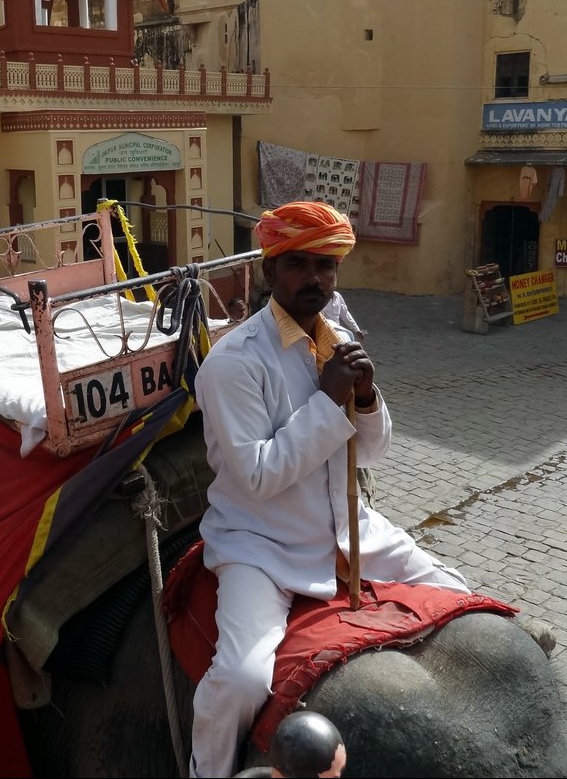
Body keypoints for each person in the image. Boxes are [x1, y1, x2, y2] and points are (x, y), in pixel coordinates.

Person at [189, 201, 470, 778]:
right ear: (270, 271)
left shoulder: (336, 338)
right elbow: (260, 476)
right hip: (260, 544)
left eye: (326, 265)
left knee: (458, 596)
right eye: (298, 265)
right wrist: (327, 399)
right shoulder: (233, 364)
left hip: (348, 528)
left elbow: (370, 452)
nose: (315, 279)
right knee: (240, 680)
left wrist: (364, 400)